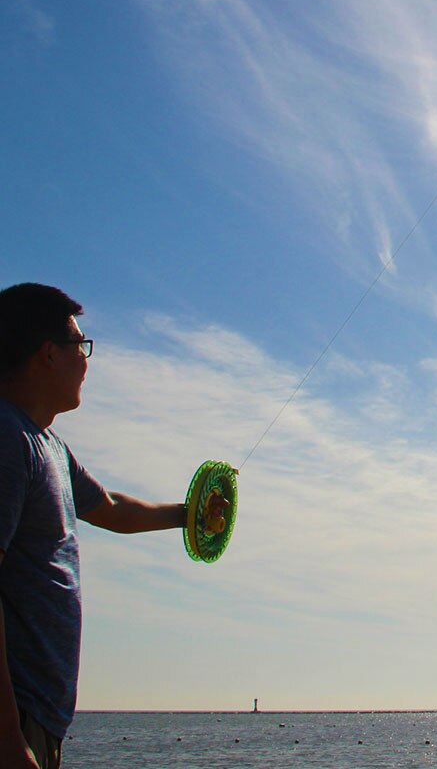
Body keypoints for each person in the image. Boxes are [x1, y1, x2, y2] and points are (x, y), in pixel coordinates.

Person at [0, 283, 220, 768]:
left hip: (39, 718)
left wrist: (190, 514)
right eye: (82, 345)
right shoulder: (9, 440)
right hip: (15, 720)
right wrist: (9, 742)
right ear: (48, 354)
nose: (87, 359)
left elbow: (112, 510)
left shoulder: (49, 445)